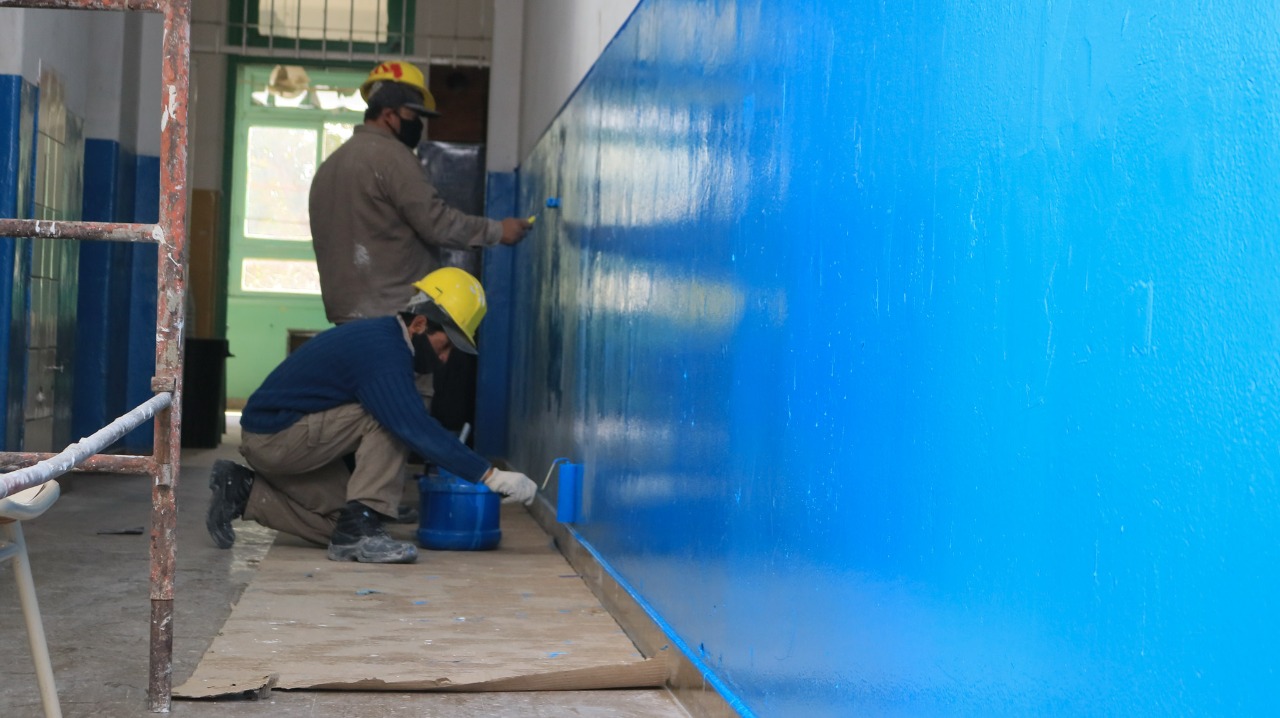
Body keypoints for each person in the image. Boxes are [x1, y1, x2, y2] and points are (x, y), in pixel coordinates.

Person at [205, 268, 538, 564]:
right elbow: (412, 426)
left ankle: (244, 491)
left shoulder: (389, 342)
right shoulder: (384, 351)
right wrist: (489, 475)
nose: (444, 359)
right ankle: (365, 517)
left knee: (342, 526)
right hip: (275, 438)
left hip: (292, 440)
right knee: (389, 418)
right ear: (420, 324)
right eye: (445, 345)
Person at [309, 60, 531, 325]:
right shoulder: (392, 157)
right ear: (389, 115)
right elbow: (436, 223)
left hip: (345, 318)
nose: (418, 125)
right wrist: (497, 231)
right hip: (392, 315)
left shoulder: (328, 167)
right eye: (413, 117)